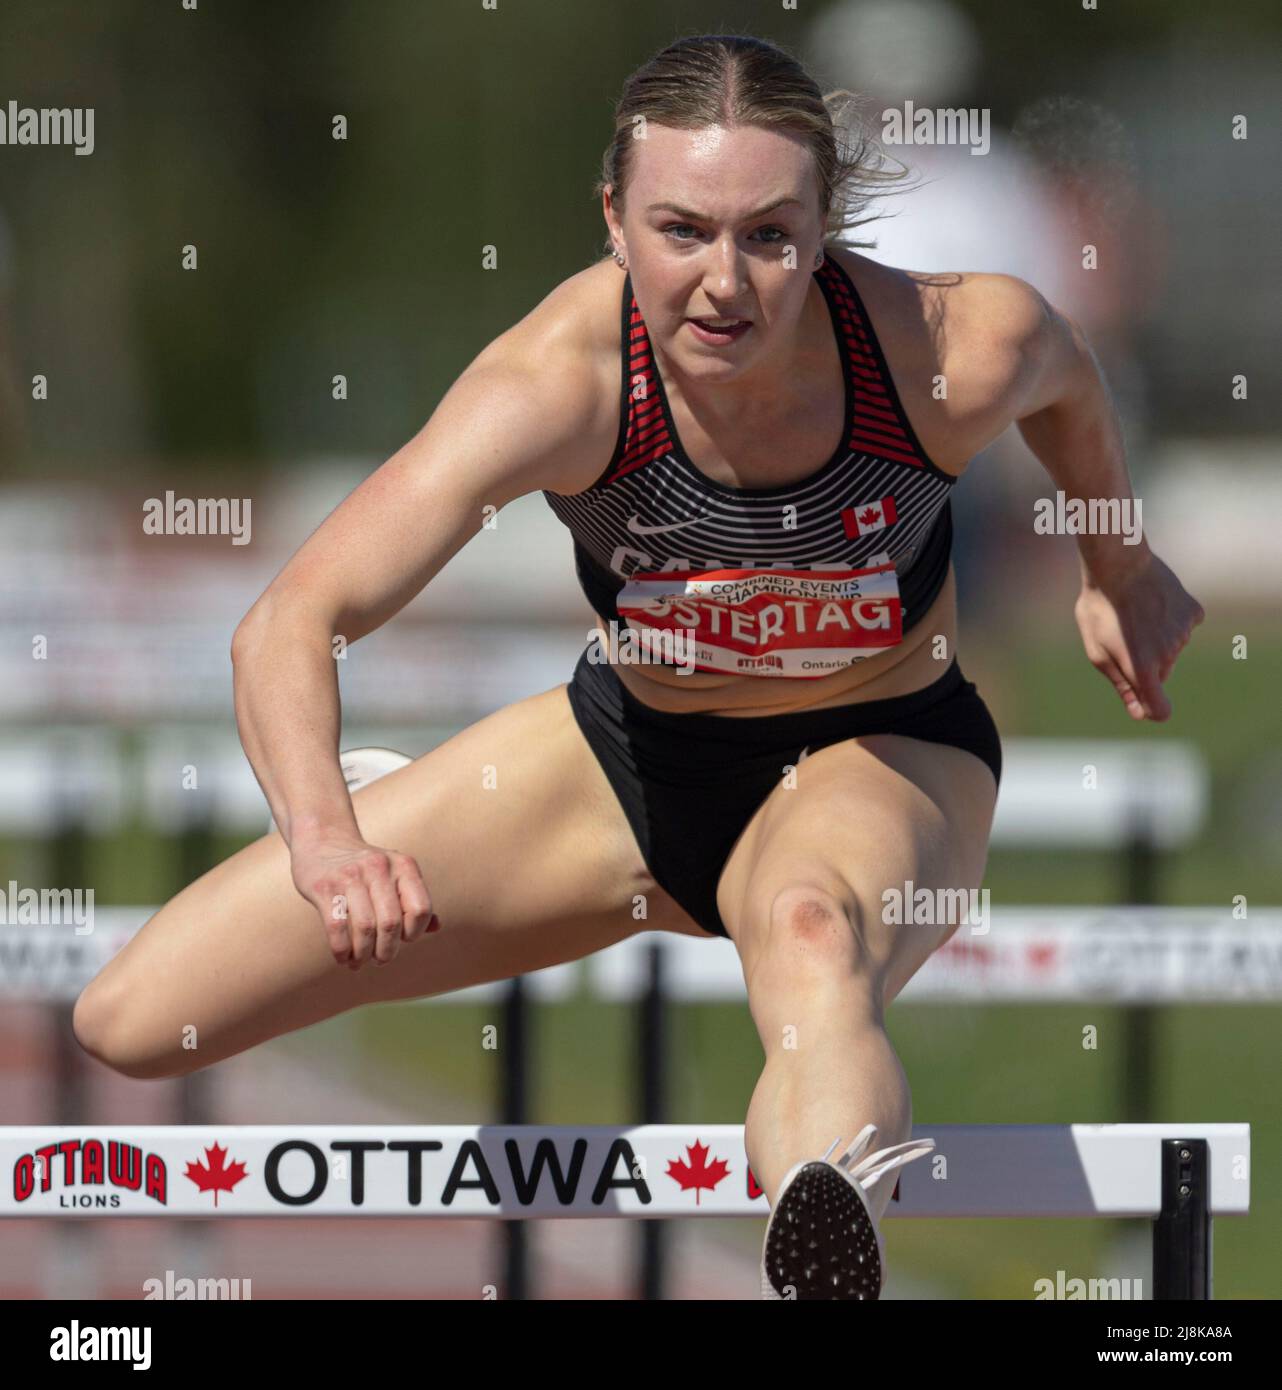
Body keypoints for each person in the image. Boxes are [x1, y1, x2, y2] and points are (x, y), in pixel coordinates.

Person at [72, 34, 1204, 1299]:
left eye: (769, 236)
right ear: (612, 219)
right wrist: (330, 841)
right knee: (134, 1020)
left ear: (825, 229)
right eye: (682, 231)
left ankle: (831, 1252)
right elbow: (291, 618)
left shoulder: (944, 346)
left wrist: (1120, 566)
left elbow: (1067, 377)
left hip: (879, 748)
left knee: (809, 933)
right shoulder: (557, 385)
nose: (723, 283)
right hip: (625, 768)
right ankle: (412, 808)